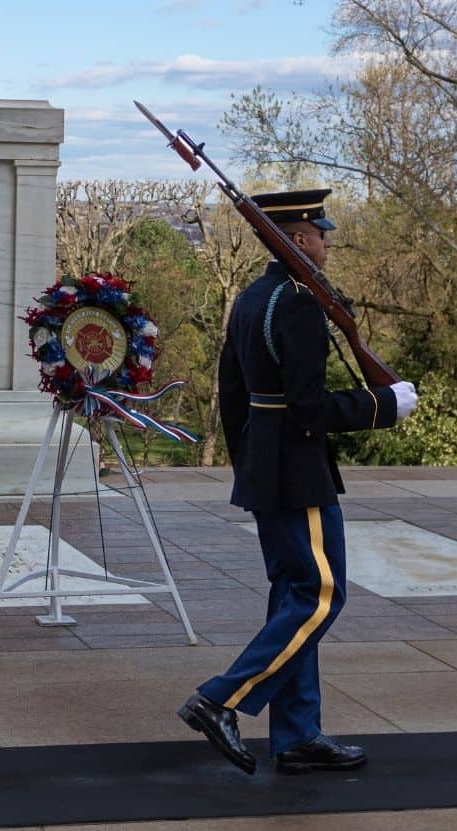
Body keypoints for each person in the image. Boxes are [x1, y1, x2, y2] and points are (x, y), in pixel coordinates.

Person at [177, 188, 418, 775]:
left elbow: (234, 395)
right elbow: (309, 408)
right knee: (321, 595)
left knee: (293, 596)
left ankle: (298, 734)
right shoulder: (300, 304)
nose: (328, 244)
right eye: (322, 235)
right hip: (300, 472)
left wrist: (249, 463)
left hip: (266, 467)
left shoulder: (254, 296)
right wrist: (381, 405)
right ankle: (221, 699)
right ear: (301, 239)